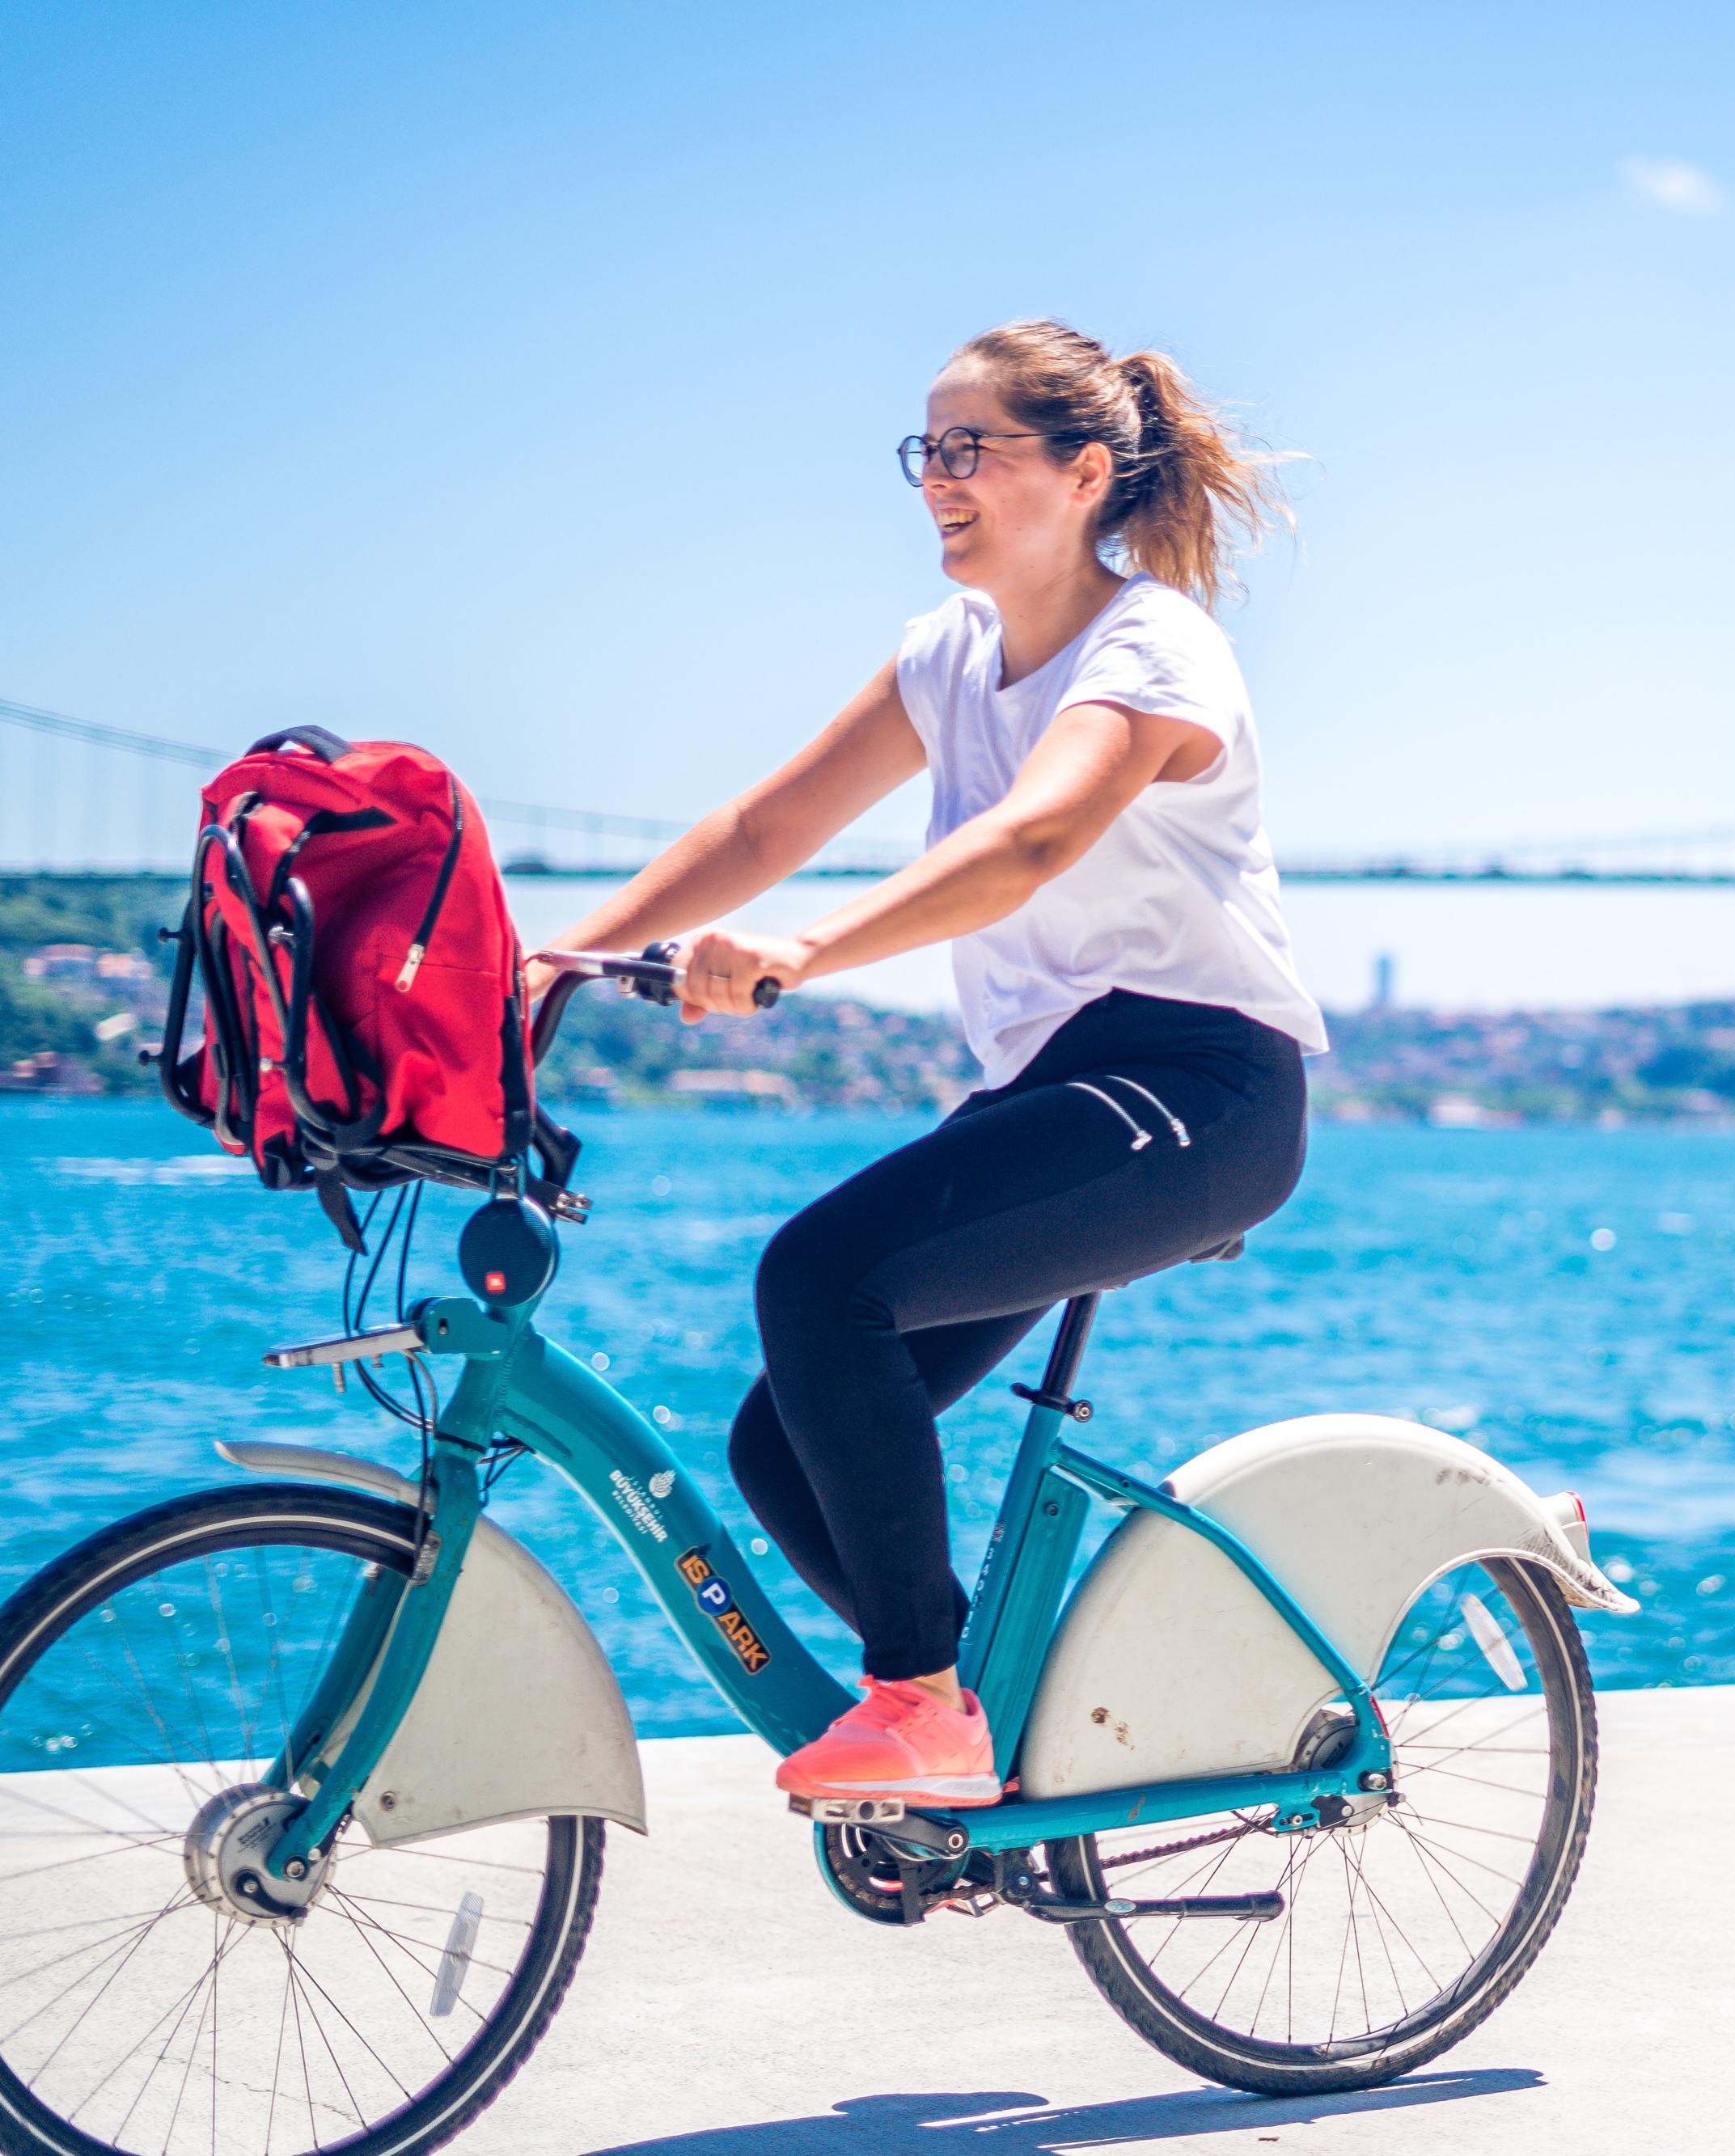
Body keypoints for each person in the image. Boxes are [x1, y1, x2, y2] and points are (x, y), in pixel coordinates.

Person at [535, 321, 1324, 1805]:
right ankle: (983, 1733)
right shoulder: (947, 655)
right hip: (1057, 1098)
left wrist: (800, 956)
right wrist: (555, 957)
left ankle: (921, 1708)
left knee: (819, 1277)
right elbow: (762, 831)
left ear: (1086, 473)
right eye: (927, 450)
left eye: (972, 449)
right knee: (783, 1437)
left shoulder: (1154, 647)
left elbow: (1028, 841)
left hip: (1201, 1090)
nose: (936, 481)